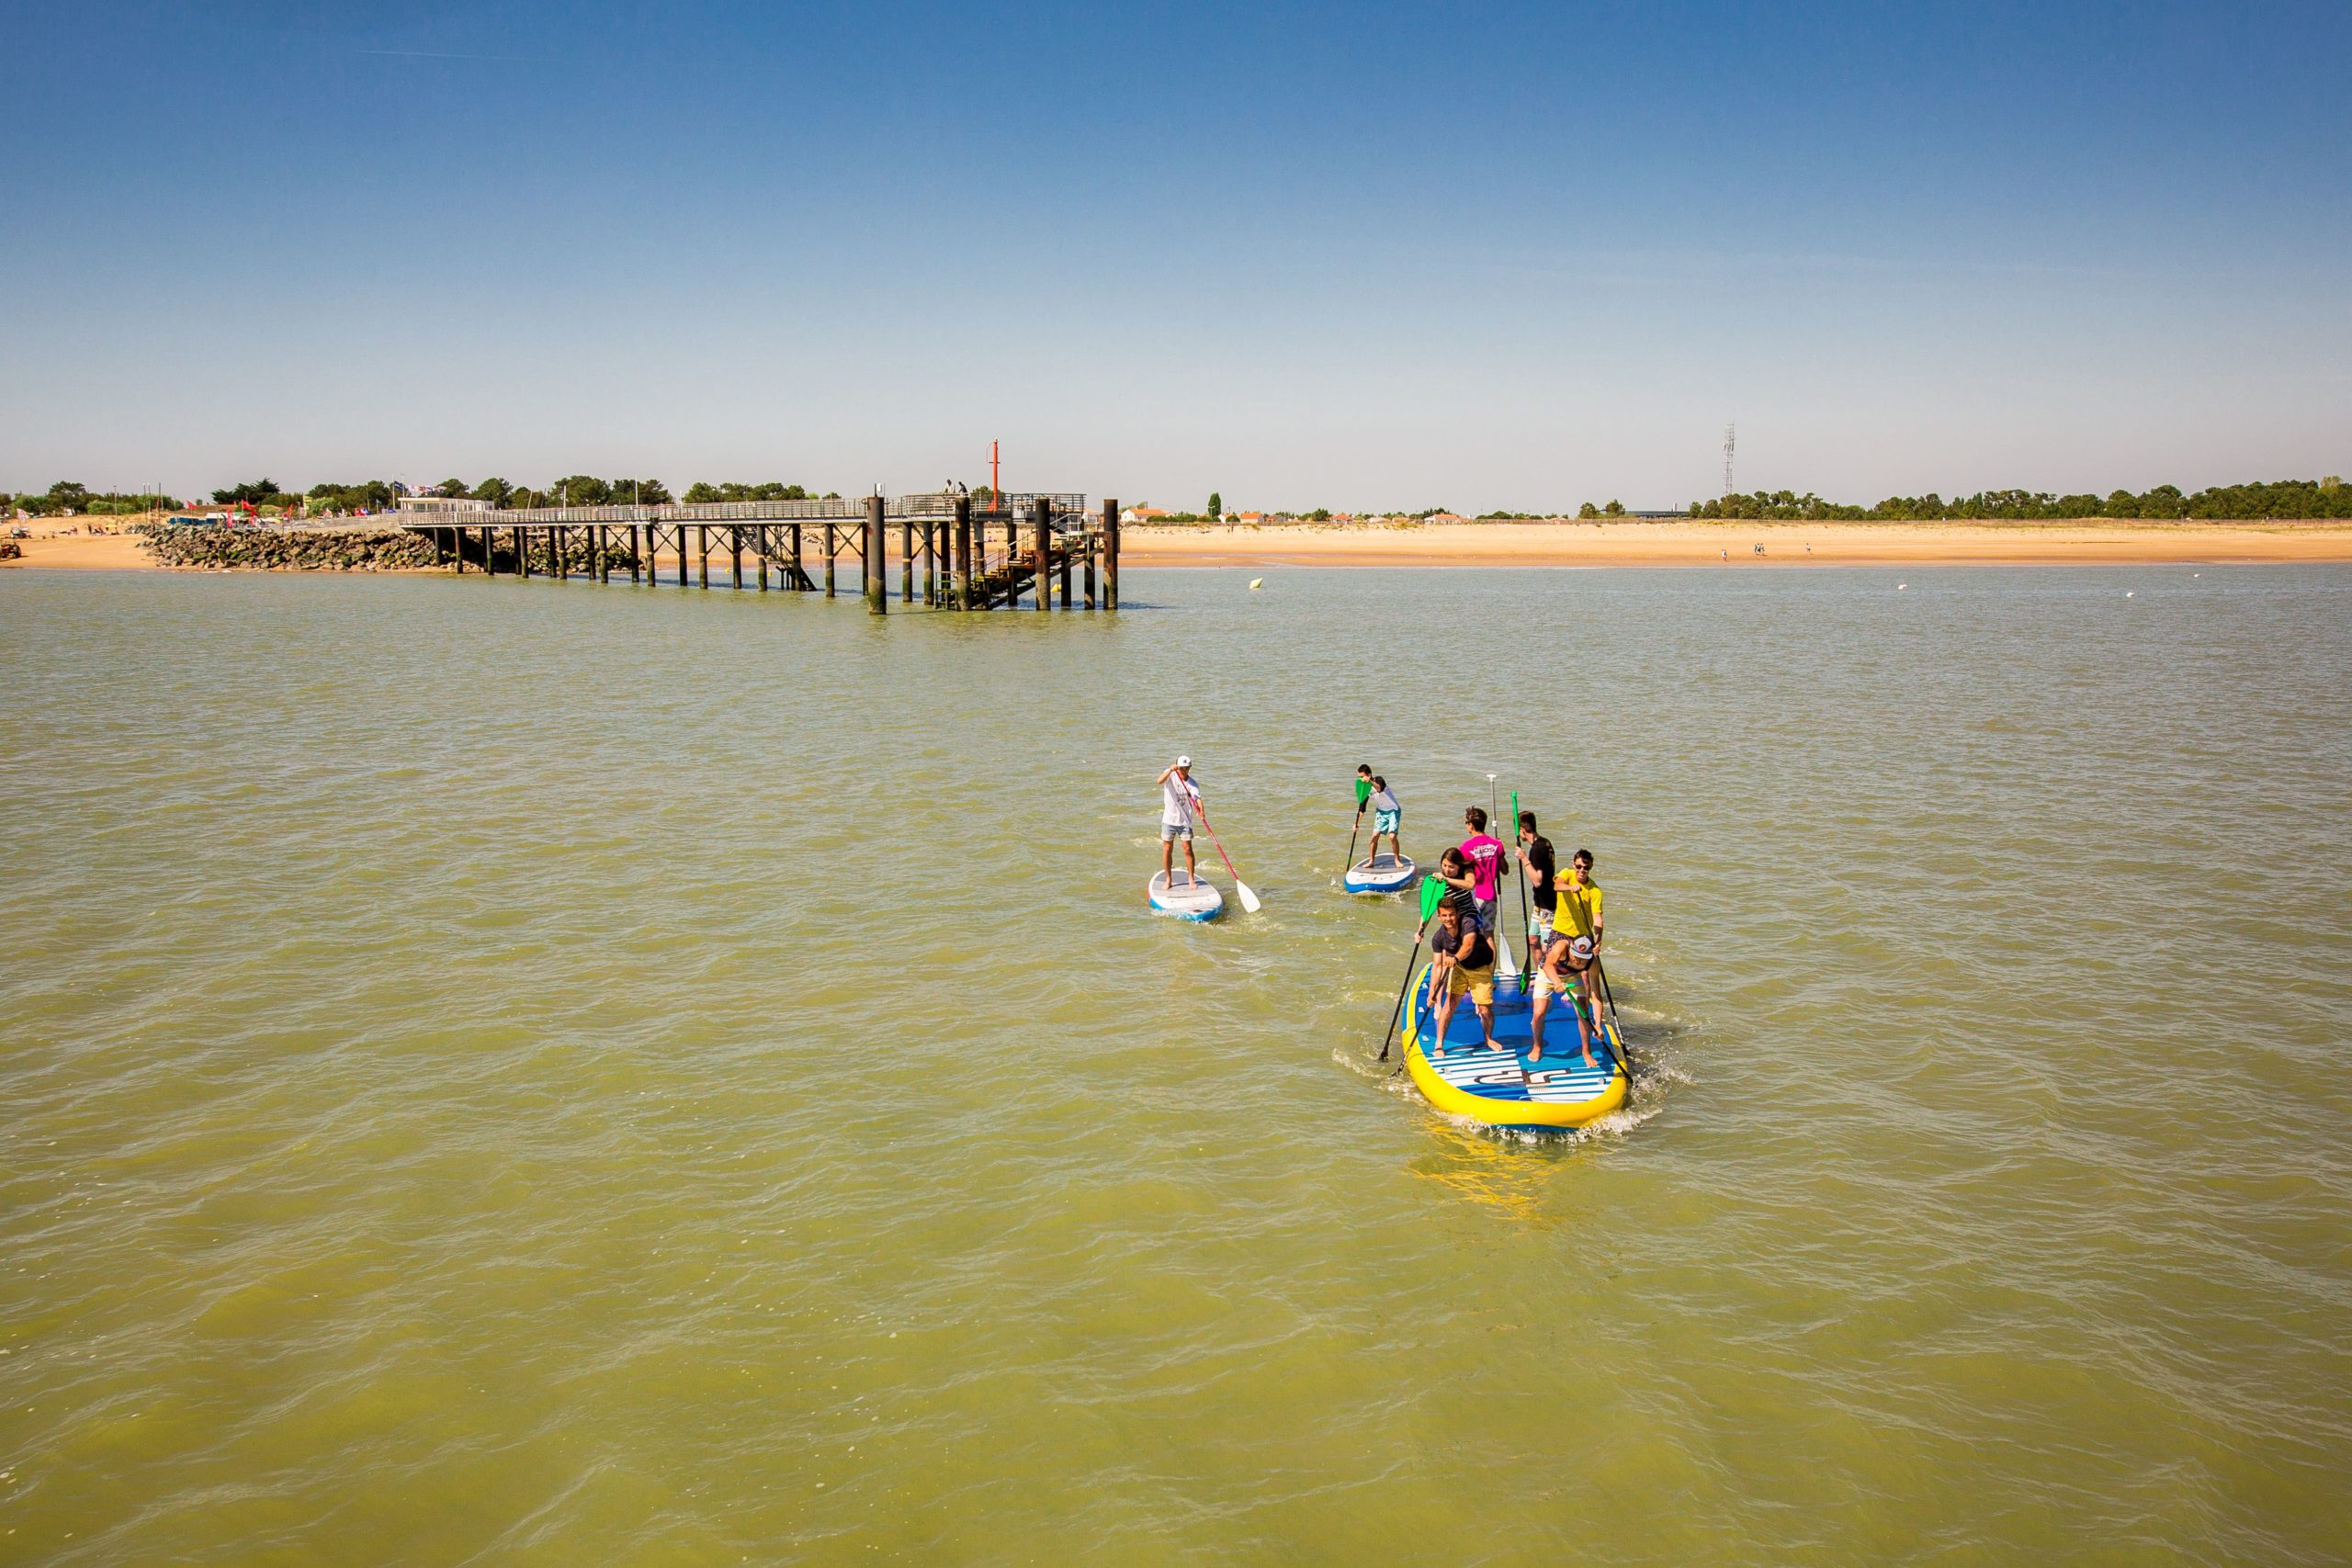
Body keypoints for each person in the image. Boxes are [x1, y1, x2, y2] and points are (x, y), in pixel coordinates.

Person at [1425, 879, 1498, 1056]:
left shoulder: (1468, 924)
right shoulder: (1438, 938)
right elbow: (1436, 966)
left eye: (1451, 915)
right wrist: (1432, 992)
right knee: (1449, 1004)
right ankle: (1439, 1044)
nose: (1448, 919)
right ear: (1439, 917)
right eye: (1444, 916)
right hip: (1460, 968)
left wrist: (1455, 958)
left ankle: (1488, 1038)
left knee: (1485, 1009)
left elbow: (1468, 945)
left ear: (1457, 914)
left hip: (1480, 967)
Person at [1529, 932, 1600, 1067]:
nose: (1578, 961)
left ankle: (1586, 1052)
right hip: (1548, 974)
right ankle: (1537, 1046)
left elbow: (1596, 996)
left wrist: (1597, 1025)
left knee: (1583, 1014)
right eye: (1576, 956)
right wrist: (1556, 983)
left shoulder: (1593, 963)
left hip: (1573, 977)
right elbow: (1548, 965)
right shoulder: (1561, 946)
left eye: (1583, 958)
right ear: (1571, 945)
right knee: (1539, 1013)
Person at [1513, 810, 1557, 977]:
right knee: (1532, 938)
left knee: (1547, 947)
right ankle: (1541, 974)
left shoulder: (1537, 849)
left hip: (1548, 904)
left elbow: (1537, 880)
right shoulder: (1544, 842)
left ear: (1522, 830)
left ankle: (1550, 977)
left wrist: (1524, 859)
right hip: (1538, 904)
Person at [1458, 807, 1506, 936]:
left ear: (1471, 825)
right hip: (1491, 896)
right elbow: (1505, 870)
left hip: (1474, 897)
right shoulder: (1497, 844)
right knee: (1489, 936)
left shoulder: (1465, 847)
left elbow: (1460, 873)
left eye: (1466, 823)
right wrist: (1499, 851)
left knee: (1470, 935)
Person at [1157, 757, 1203, 887]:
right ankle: (1168, 880)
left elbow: (1198, 799)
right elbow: (1159, 781)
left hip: (1184, 822)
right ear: (1177, 767)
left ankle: (1191, 879)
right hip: (1169, 820)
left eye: (1187, 768)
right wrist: (1170, 771)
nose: (1184, 771)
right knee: (1167, 849)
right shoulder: (1170, 775)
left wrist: (1201, 811)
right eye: (1182, 768)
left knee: (1187, 849)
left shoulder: (1192, 784)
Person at [1555, 848, 1604, 951]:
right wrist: (1570, 887)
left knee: (1580, 965)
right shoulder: (1566, 874)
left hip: (1582, 936)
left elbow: (1597, 918)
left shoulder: (1595, 891)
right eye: (1578, 867)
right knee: (1550, 963)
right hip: (1560, 930)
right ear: (1573, 865)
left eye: (1586, 868)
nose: (1582, 870)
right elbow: (1557, 886)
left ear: (1590, 867)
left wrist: (1598, 941)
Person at [1367, 774, 1402, 865]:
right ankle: (1371, 861)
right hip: (1381, 812)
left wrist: (1369, 780)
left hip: (1393, 811)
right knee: (1374, 836)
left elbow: (1379, 788)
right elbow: (1363, 802)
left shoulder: (1382, 784)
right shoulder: (1368, 788)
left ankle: (1397, 860)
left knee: (1392, 836)